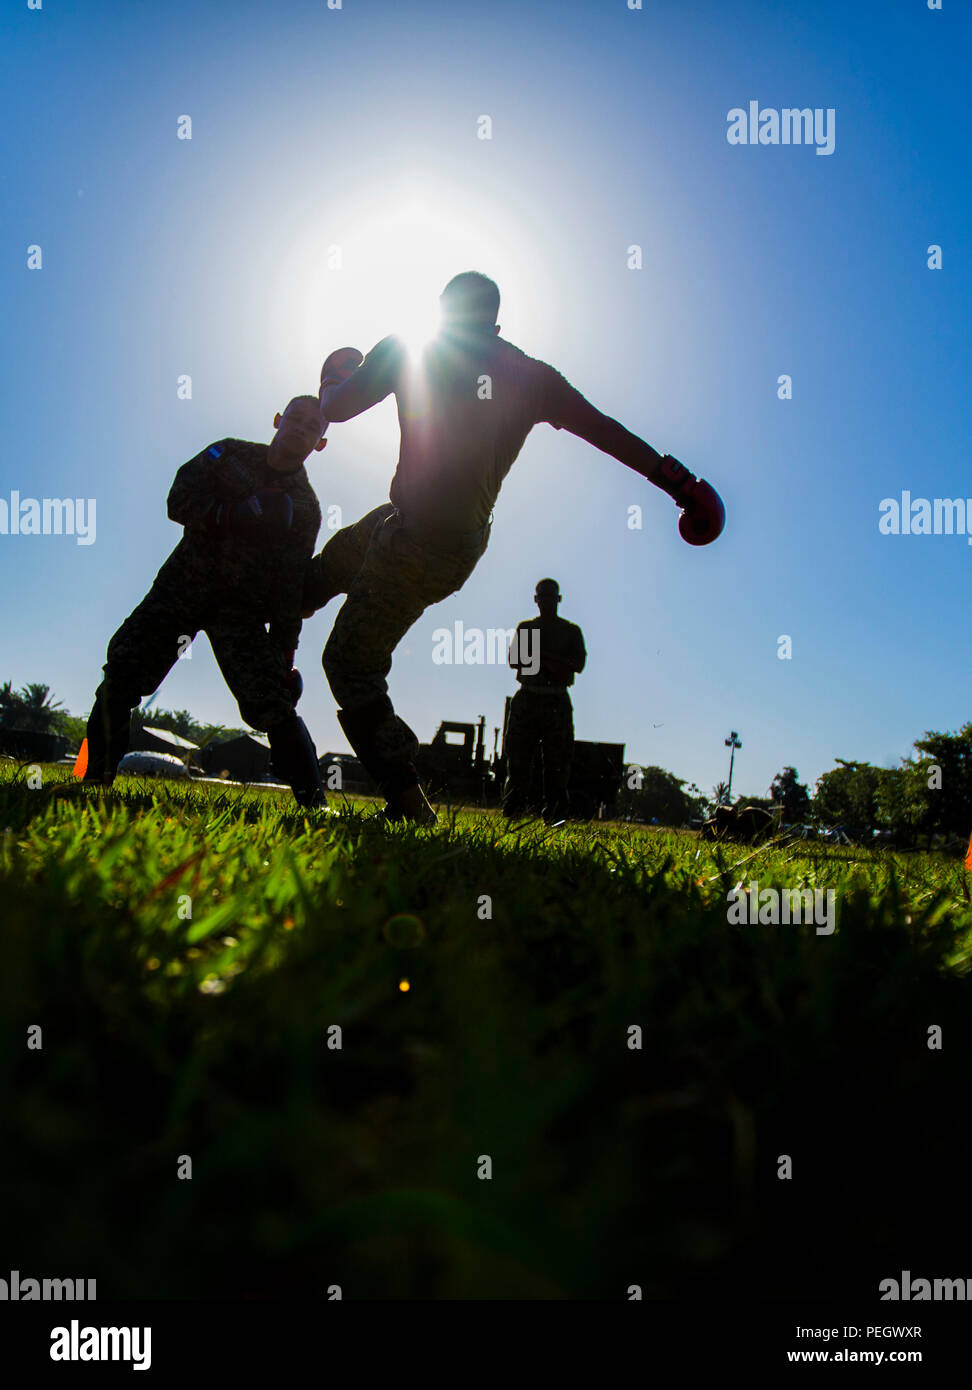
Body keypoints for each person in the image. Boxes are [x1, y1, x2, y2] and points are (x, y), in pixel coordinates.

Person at [308, 272, 725, 823]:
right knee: (333, 564)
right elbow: (607, 432)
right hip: (447, 540)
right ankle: (284, 613)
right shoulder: (530, 375)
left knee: (347, 662)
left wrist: (334, 383)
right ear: (497, 323)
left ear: (440, 311)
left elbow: (336, 409)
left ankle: (408, 800)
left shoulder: (409, 347)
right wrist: (681, 484)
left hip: (419, 543)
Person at [82, 396, 329, 808]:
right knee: (123, 673)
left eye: (313, 427)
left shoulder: (306, 507)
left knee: (272, 700)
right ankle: (91, 780)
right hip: (181, 588)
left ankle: (315, 804)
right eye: (296, 419)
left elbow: (290, 586)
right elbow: (177, 499)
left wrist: (284, 651)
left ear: (321, 443)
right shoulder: (228, 453)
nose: (302, 429)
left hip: (240, 610)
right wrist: (229, 514)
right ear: (277, 420)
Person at [502, 578, 586, 822]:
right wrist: (554, 661)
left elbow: (578, 664)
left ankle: (556, 816)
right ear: (536, 600)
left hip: (556, 701)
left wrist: (542, 658)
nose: (546, 602)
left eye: (551, 597)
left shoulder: (570, 631)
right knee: (517, 761)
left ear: (558, 600)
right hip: (528, 697)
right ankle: (513, 813)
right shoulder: (527, 628)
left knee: (557, 764)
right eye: (542, 597)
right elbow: (515, 660)